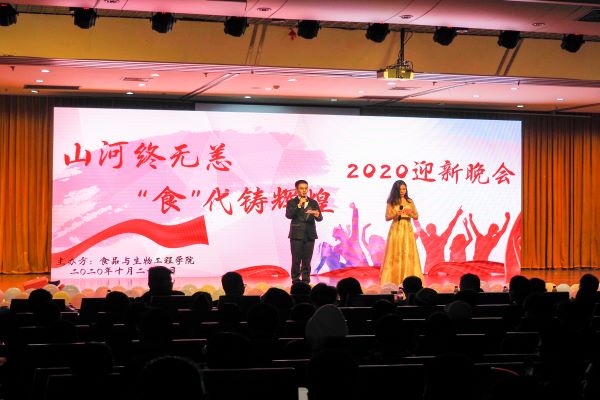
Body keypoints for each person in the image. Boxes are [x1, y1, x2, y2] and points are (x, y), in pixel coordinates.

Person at [380, 180, 423, 285]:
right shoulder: (391, 201)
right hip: (396, 229)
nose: (402, 191)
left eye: (404, 189)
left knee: (407, 252)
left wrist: (410, 213)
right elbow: (387, 217)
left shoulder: (409, 201)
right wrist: (396, 213)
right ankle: (394, 278)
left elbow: (416, 216)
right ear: (396, 190)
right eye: (400, 189)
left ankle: (408, 278)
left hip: (407, 229)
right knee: (395, 252)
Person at [286, 179, 323, 283]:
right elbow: (289, 215)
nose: (304, 190)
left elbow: (320, 218)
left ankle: (306, 280)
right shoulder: (292, 202)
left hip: (310, 234)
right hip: (296, 235)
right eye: (301, 188)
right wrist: (298, 205)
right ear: (296, 189)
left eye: (306, 188)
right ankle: (295, 280)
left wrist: (317, 215)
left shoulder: (313, 202)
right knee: (296, 260)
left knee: (307, 260)